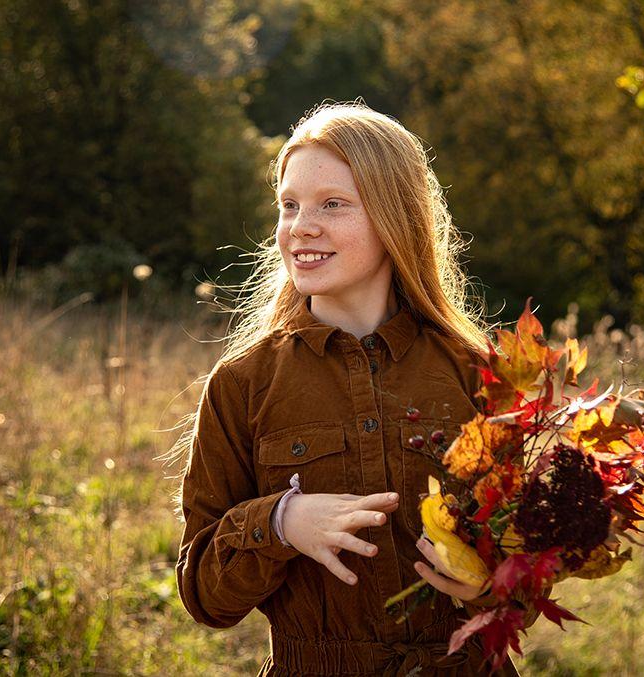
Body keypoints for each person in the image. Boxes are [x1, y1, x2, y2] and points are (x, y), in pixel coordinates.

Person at [174, 102, 531, 675]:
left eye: (332, 205)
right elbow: (204, 598)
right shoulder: (242, 386)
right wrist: (280, 522)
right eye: (289, 206)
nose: (301, 226)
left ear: (397, 218)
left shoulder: (479, 374)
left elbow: (527, 588)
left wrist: (485, 588)